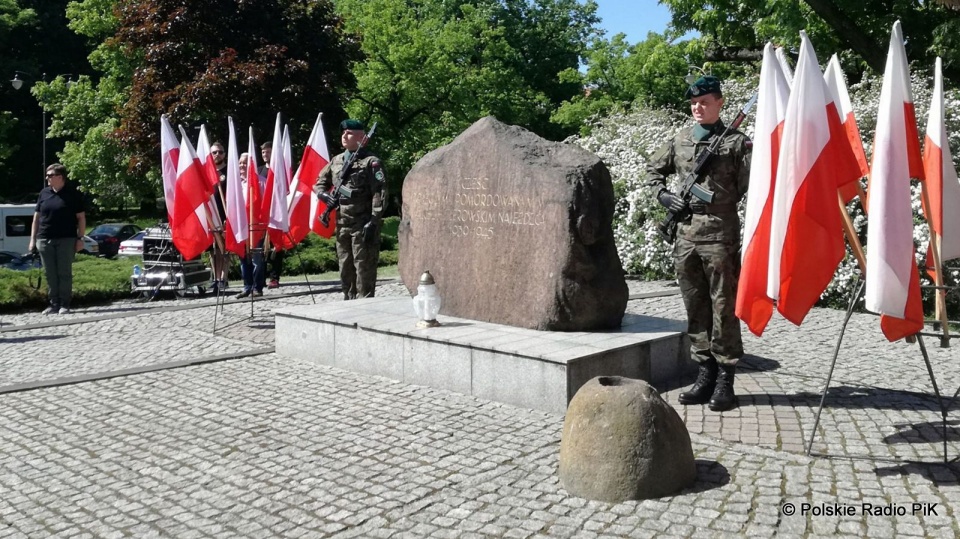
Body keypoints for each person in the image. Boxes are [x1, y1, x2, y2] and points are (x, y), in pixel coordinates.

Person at [644, 76, 752, 412]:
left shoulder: (736, 142)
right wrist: (663, 197)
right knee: (695, 306)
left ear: (719, 102)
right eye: (693, 102)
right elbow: (653, 170)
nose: (697, 107)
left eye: (705, 101)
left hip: (720, 233)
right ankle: (703, 373)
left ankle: (725, 378)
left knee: (723, 306)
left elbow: (753, 185)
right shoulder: (681, 139)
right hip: (686, 234)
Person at [315, 119, 387, 300]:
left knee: (363, 267)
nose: (344, 136)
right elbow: (319, 184)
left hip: (363, 223)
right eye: (343, 133)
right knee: (345, 266)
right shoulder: (336, 161)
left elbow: (380, 192)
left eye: (349, 133)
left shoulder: (371, 162)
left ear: (362, 137)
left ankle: (365, 304)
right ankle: (348, 300)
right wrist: (324, 196)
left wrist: (374, 220)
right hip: (343, 222)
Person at [27, 163, 87, 315]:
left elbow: (81, 218)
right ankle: (53, 303)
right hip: (44, 238)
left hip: (66, 239)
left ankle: (64, 303)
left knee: (64, 272)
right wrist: (33, 240)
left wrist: (80, 238)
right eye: (47, 175)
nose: (47, 178)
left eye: (50, 175)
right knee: (50, 272)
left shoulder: (72, 194)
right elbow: (36, 218)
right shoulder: (44, 193)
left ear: (60, 177)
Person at [235, 153, 266, 298]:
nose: (242, 165)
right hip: (241, 226)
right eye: (240, 163)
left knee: (256, 259)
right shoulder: (236, 184)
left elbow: (266, 205)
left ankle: (257, 287)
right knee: (243, 258)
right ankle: (247, 286)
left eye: (245, 162)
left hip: (256, 226)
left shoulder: (261, 182)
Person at [259, 140, 284, 289]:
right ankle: (260, 277)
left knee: (276, 247)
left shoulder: (278, 170)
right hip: (262, 215)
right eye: (263, 152)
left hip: (276, 213)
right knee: (261, 247)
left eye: (267, 152)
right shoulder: (259, 170)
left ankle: (274, 277)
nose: (265, 154)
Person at [210, 141, 230, 293]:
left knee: (224, 249)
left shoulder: (229, 172)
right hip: (211, 216)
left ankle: (224, 278)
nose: (218, 155)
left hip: (225, 216)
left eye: (220, 152)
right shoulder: (207, 172)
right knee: (213, 250)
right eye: (214, 152)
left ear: (225, 154)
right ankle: (215, 278)